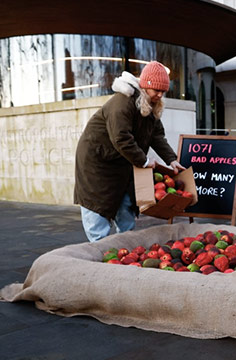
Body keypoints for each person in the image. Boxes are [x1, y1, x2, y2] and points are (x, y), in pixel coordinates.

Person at [74, 61, 185, 242]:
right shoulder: (122, 102)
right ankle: (100, 251)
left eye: (163, 91)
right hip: (97, 163)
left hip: (122, 162)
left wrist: (171, 159)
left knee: (125, 204)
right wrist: (143, 161)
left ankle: (125, 248)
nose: (159, 94)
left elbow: (157, 136)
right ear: (145, 86)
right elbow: (121, 137)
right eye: (156, 90)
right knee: (97, 208)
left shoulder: (151, 105)